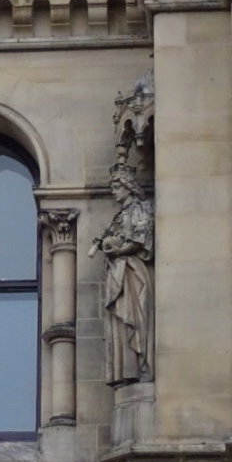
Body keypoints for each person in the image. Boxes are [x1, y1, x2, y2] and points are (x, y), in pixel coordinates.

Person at [90, 165, 154, 386]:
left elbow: (140, 239)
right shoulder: (120, 216)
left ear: (128, 187)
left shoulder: (140, 209)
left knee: (133, 317)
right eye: (112, 187)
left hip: (131, 271)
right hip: (117, 270)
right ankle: (123, 371)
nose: (114, 192)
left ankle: (138, 366)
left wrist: (119, 250)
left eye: (117, 187)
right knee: (120, 319)